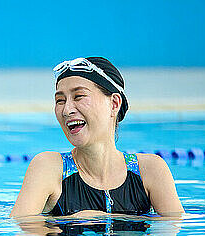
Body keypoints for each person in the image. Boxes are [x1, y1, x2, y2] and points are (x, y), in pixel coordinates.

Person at [10, 57, 184, 218]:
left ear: (114, 104)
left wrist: (100, 218)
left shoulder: (150, 170)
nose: (66, 110)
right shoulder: (49, 168)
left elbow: (172, 233)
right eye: (60, 100)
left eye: (79, 96)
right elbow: (21, 225)